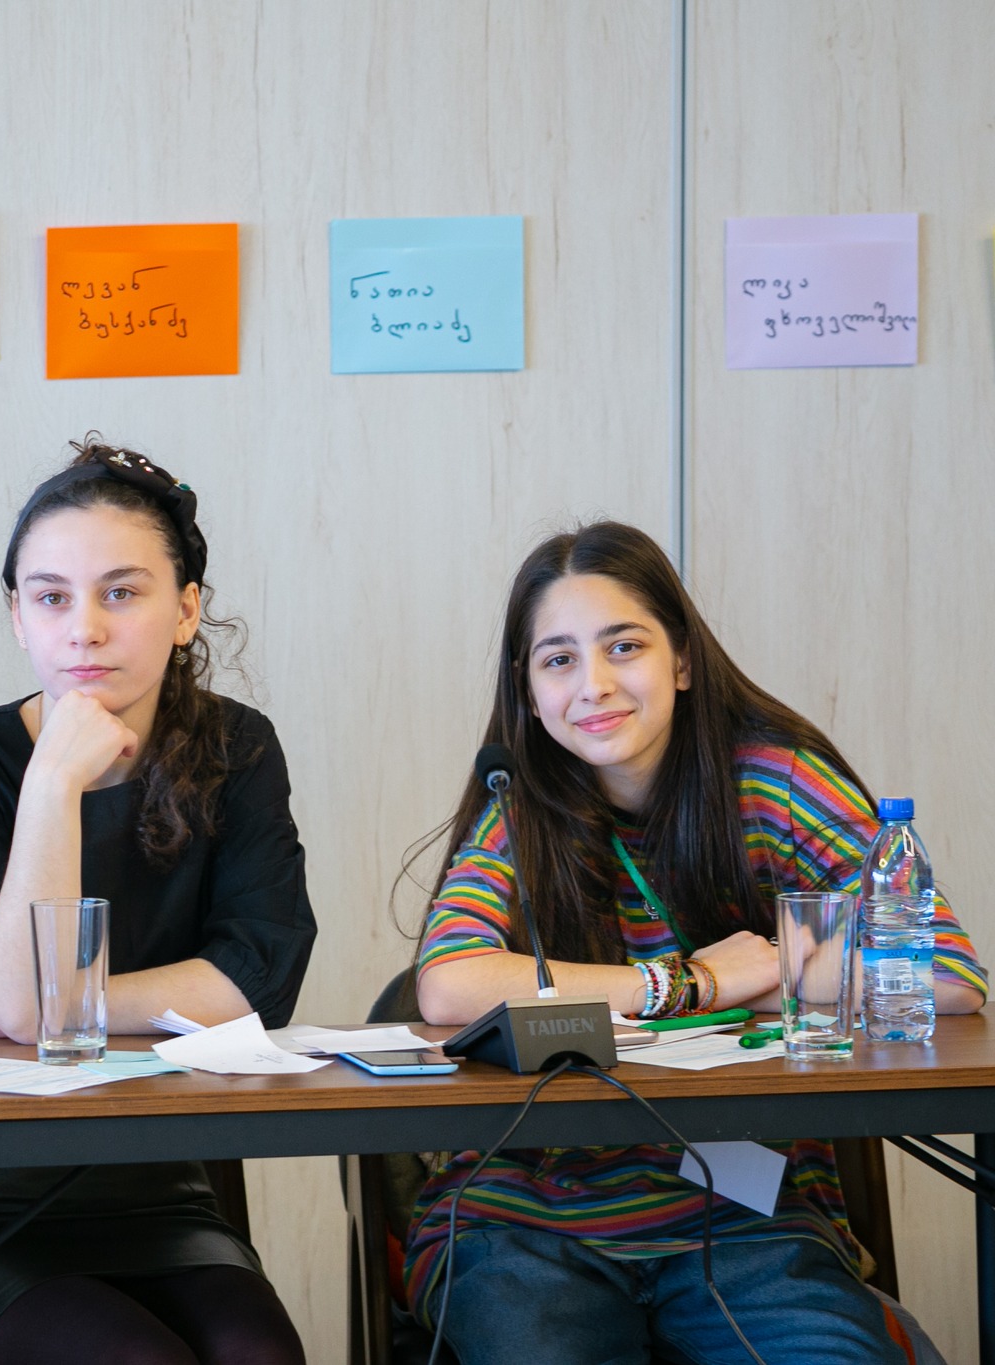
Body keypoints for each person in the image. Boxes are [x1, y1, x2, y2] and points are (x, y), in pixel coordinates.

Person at [410, 520, 984, 1364]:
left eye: (624, 646)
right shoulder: (519, 807)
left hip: (742, 1207)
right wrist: (693, 983)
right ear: (529, 691)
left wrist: (772, 970)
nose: (595, 684)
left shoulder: (775, 782)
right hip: (526, 1214)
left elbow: (947, 974)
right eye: (559, 659)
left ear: (681, 659)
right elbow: (449, 982)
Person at [0, 438, 316, 1365]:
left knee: (261, 1357)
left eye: (121, 592)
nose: (84, 630)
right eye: (51, 597)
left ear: (185, 610)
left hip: (157, 1196)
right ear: (17, 617)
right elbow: (28, 1001)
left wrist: (62, 1009)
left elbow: (255, 980)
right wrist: (53, 783)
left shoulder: (237, 750)